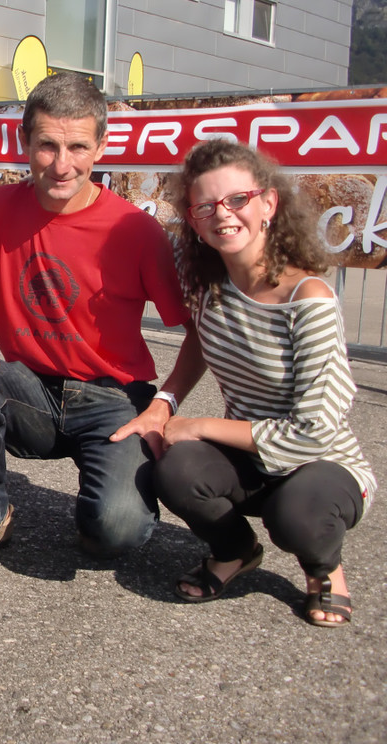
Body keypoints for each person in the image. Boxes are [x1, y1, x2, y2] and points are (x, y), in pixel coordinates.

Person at [0, 72, 206, 557]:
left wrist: (165, 404)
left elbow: (199, 332)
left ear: (101, 147)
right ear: (24, 142)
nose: (62, 165)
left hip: (113, 398)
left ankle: (110, 498)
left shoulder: (135, 230)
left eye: (77, 147)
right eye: (47, 146)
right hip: (27, 388)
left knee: (117, 532)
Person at [153, 140, 376, 628]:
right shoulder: (205, 281)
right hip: (251, 457)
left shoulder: (308, 298)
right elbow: (197, 339)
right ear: (193, 220)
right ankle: (235, 551)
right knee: (175, 469)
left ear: (269, 203)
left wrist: (200, 425)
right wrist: (163, 402)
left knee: (296, 517)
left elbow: (312, 431)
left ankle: (323, 566)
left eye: (238, 199)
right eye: (205, 206)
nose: (223, 214)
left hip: (321, 461)